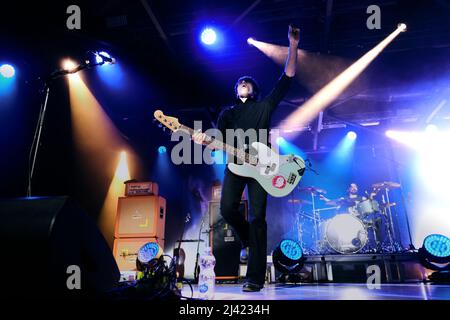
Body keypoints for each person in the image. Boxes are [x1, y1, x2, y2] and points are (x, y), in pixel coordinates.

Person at [193, 24, 299, 292]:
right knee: (227, 208)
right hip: (235, 166)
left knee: (258, 219)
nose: (243, 83)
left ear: (254, 89)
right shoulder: (227, 113)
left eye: (248, 82)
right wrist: (203, 140)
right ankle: (247, 241)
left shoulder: (264, 106)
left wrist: (293, 45)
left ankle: (255, 277)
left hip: (262, 169)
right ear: (235, 90)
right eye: (240, 82)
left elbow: (286, 79)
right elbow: (218, 141)